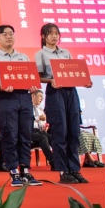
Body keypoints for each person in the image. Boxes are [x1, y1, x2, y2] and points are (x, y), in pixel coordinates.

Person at [0, 25, 41, 187]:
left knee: (25, 135)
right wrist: (1, 87)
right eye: (5, 34)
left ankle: (25, 169)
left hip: (24, 97)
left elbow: (31, 78)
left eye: (11, 34)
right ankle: (13, 170)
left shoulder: (23, 57)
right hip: (5, 99)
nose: (9, 37)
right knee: (10, 135)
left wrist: (33, 86)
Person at [35, 23, 91, 185]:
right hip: (55, 93)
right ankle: (63, 171)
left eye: (57, 33)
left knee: (74, 132)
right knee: (60, 133)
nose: (54, 36)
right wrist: (51, 80)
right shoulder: (41, 54)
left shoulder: (65, 52)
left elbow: (74, 72)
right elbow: (38, 77)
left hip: (71, 92)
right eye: (51, 33)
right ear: (44, 36)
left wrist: (85, 81)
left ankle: (74, 169)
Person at [30, 90, 55, 170]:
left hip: (39, 131)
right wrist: (38, 118)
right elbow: (26, 120)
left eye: (42, 97)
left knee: (52, 137)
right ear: (33, 96)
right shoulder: (27, 108)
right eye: (40, 96)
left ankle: (59, 159)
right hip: (29, 131)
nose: (42, 99)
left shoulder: (40, 109)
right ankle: (53, 161)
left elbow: (42, 123)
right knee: (43, 138)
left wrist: (44, 127)